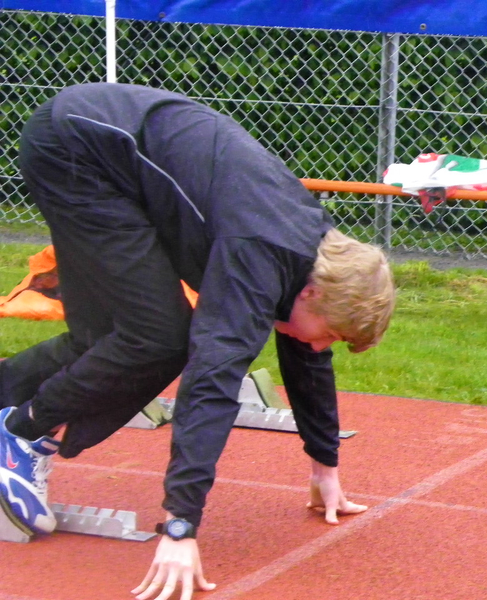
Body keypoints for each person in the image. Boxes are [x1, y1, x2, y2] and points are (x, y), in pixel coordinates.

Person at [0, 82, 395, 600]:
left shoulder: (313, 257)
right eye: (333, 336)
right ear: (312, 294)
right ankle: (23, 432)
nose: (323, 348)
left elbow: (306, 357)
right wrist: (180, 524)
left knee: (106, 342)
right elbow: (211, 383)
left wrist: (325, 465)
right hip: (78, 149)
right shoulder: (258, 254)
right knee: (159, 337)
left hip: (100, 147)